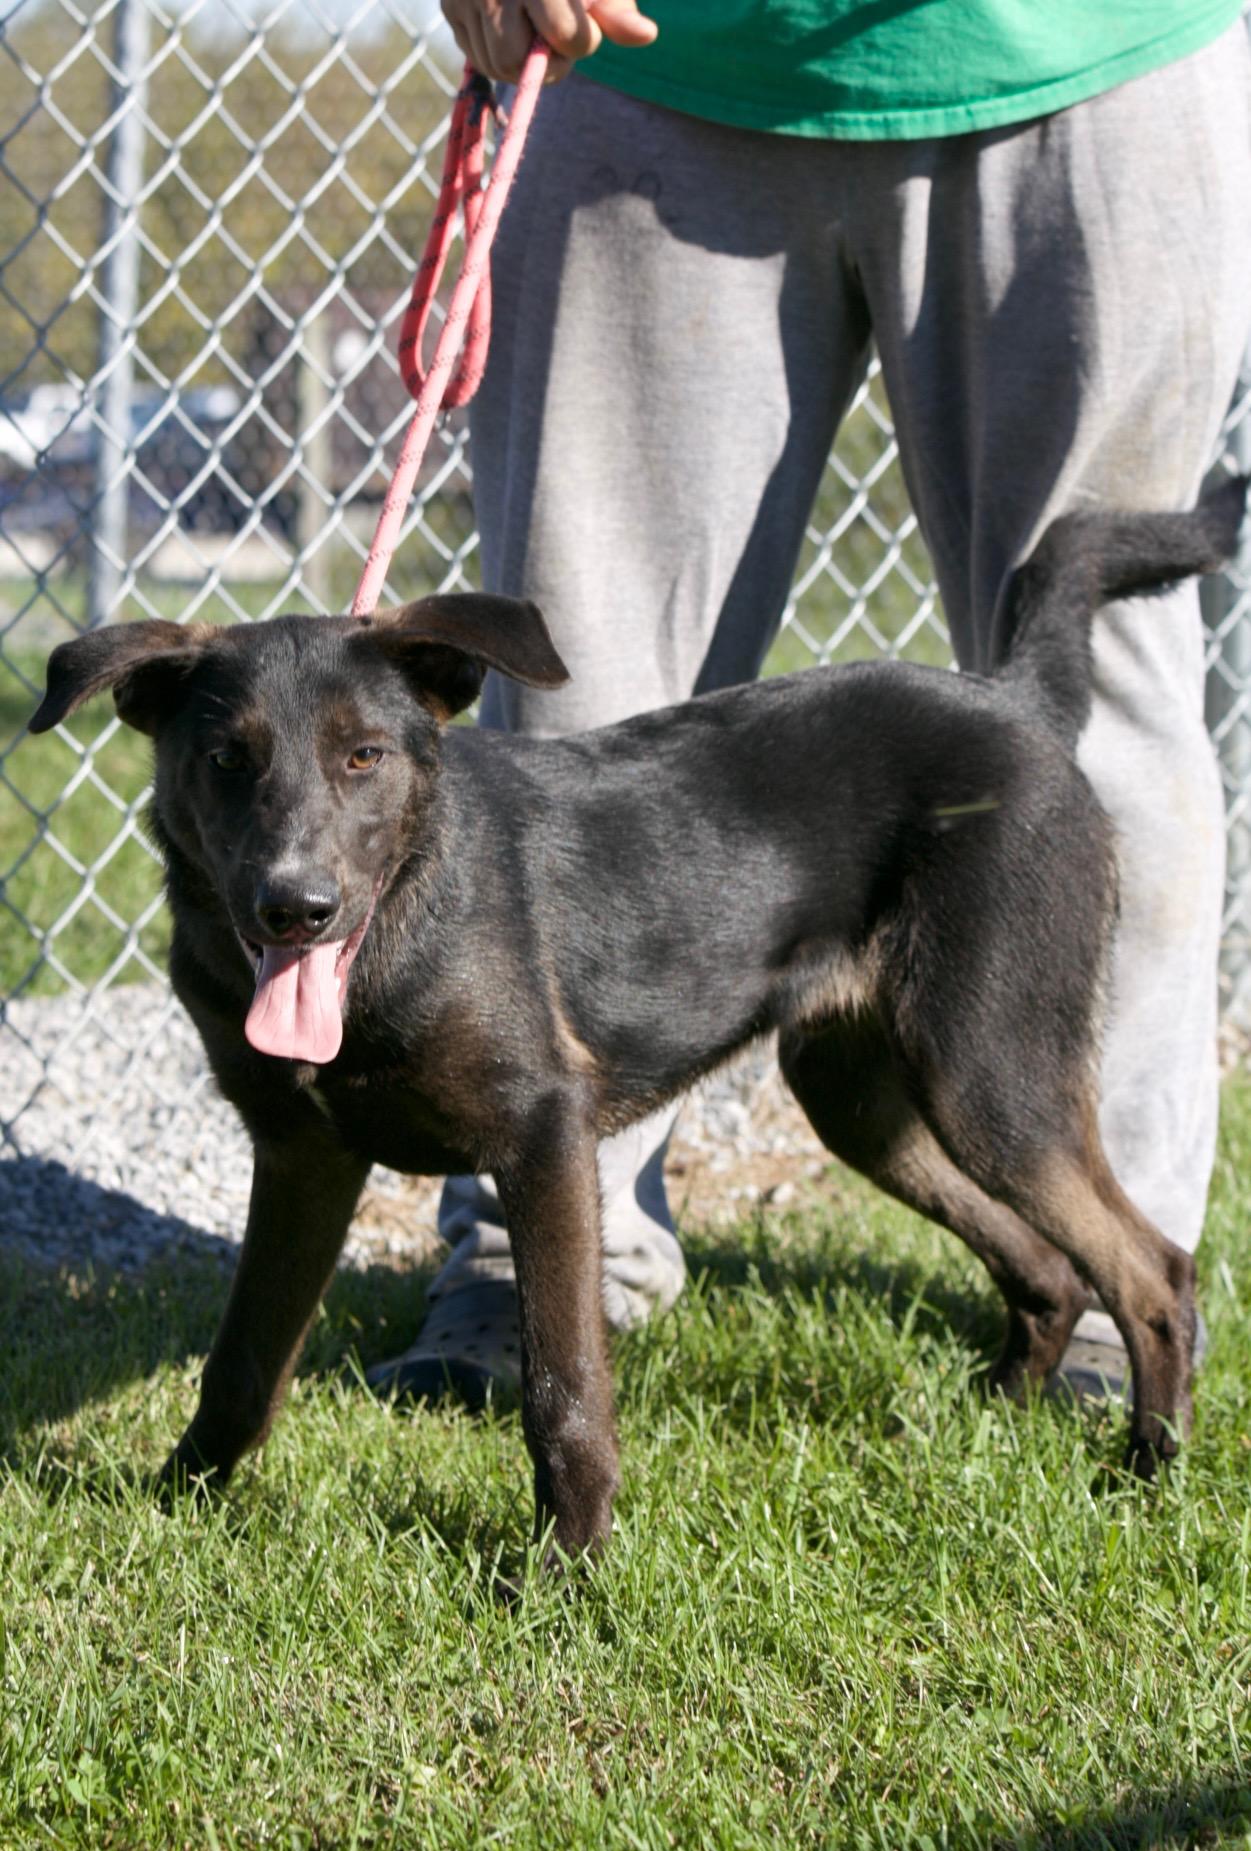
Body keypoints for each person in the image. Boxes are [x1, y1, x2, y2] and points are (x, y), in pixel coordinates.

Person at [366, 0, 1251, 1406]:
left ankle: (1108, 1264)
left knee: (1099, 697)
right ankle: (540, 1255)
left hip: (1081, 49)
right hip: (661, 53)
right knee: (574, 695)